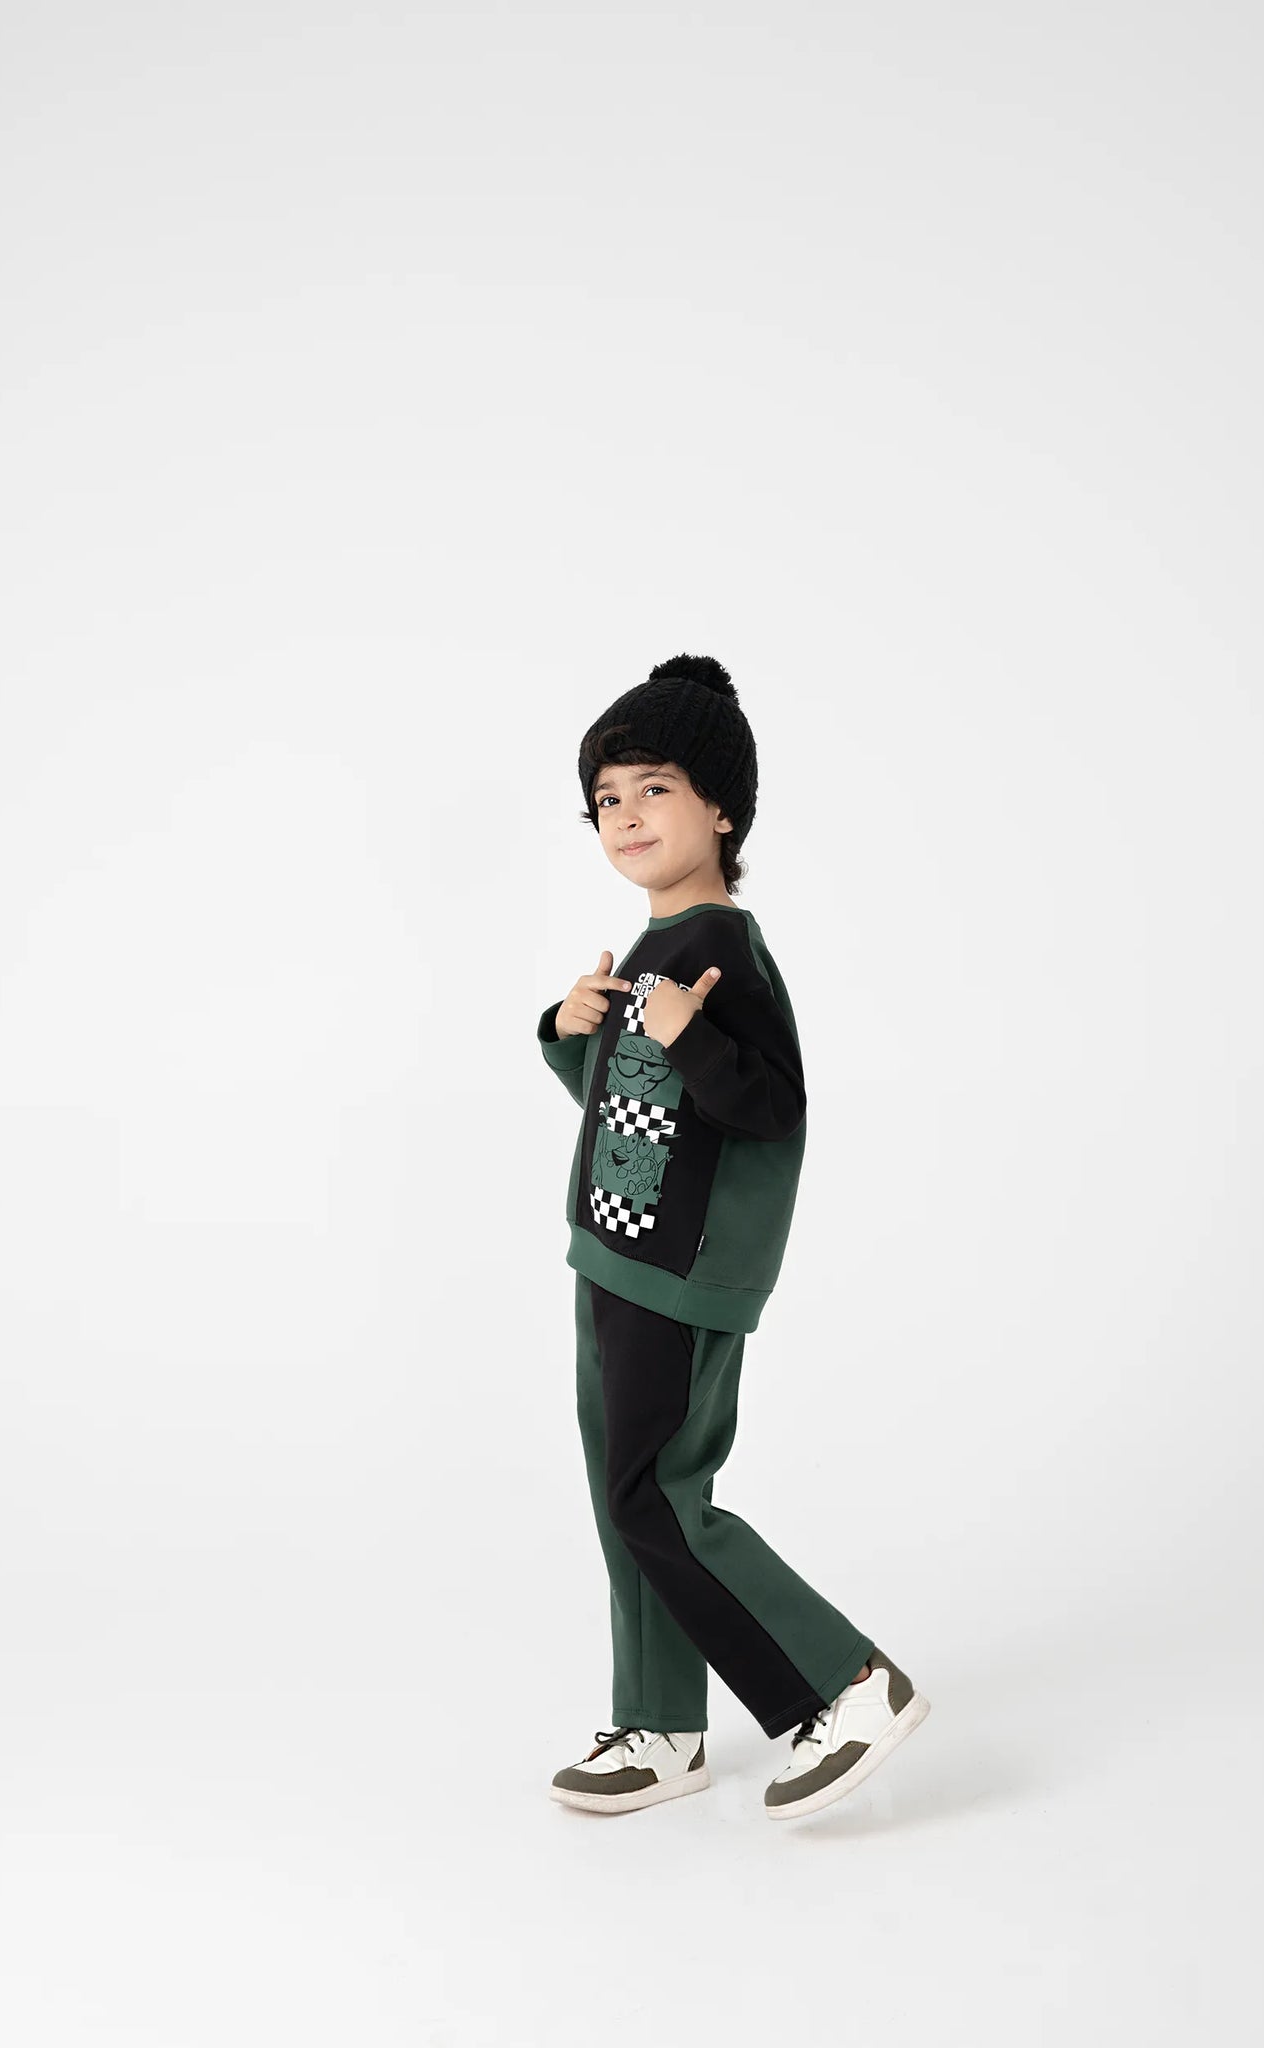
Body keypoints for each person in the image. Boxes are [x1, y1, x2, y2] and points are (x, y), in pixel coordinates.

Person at [536, 652, 930, 1822]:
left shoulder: (725, 952)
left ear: (721, 807)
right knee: (626, 1497)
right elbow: (633, 1108)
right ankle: (661, 1722)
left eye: (654, 788)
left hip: (680, 1270)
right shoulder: (649, 951)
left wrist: (689, 1033)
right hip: (611, 1257)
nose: (625, 815)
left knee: (660, 1489)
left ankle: (846, 1682)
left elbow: (768, 1105)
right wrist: (570, 1030)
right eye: (607, 797)